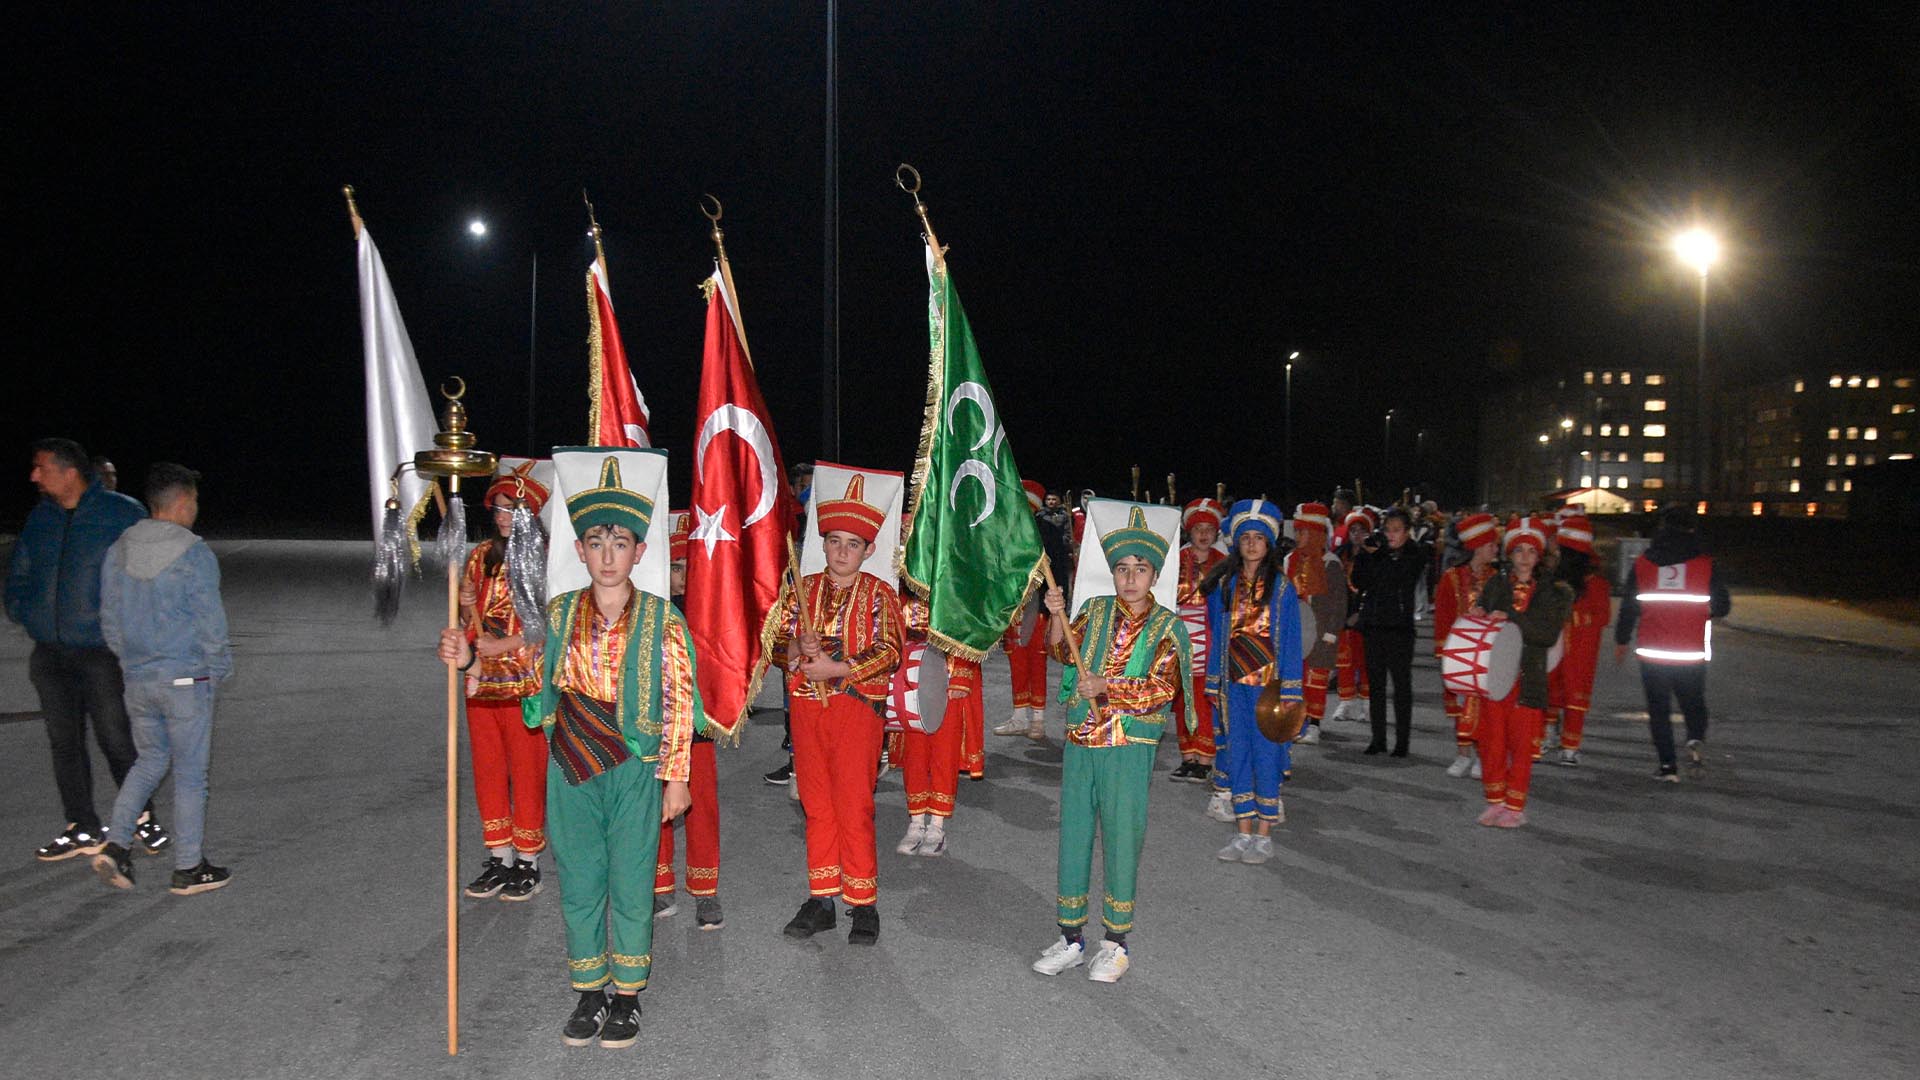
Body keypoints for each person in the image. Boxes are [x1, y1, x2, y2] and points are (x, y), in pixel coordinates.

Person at [441, 456, 701, 1049]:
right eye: (594, 542)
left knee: (632, 881)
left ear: (639, 551)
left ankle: (628, 996)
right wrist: (474, 661)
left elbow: (681, 699)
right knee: (582, 880)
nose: (607, 554)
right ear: (580, 551)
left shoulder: (663, 619)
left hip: (635, 767)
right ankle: (589, 991)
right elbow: (529, 678)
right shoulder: (557, 614)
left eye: (620, 542)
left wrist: (676, 776)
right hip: (571, 767)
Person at [1030, 507, 1192, 984]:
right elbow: (1063, 652)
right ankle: (1071, 938)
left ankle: (1116, 944)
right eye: (1122, 569)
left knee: (1122, 839)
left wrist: (1106, 686)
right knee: (1074, 836)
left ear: (1155, 575)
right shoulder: (1095, 610)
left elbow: (1162, 690)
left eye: (1140, 570)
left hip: (1128, 746)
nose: (1130, 578)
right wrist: (1055, 615)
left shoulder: (1169, 627)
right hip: (1083, 741)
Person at [7, 437, 169, 861]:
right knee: (64, 742)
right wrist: (25, 611)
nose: (34, 475)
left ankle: (141, 818)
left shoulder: (120, 513)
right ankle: (82, 825)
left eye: (41, 467)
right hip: (49, 652)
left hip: (102, 652)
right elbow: (19, 572)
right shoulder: (40, 519)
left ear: (69, 472)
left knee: (115, 737)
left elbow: (151, 575)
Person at [767, 474, 904, 946]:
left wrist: (838, 668)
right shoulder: (800, 589)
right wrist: (793, 648)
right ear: (822, 544)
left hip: (855, 710)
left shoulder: (880, 594)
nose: (842, 551)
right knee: (816, 804)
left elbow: (890, 651)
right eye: (833, 541)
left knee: (854, 804)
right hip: (807, 711)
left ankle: (863, 903)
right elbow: (773, 645)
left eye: (852, 544)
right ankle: (822, 898)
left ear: (868, 550)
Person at [89, 464, 232, 895]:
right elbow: (210, 621)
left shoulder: (120, 549)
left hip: (138, 678)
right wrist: (218, 668)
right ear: (184, 502)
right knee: (191, 775)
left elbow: (109, 619)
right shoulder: (192, 552)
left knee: (149, 762)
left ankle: (116, 844)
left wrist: (132, 662)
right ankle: (189, 868)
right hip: (186, 679)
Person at [456, 463, 551, 903]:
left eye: (511, 507)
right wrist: (464, 605)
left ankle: (528, 860)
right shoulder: (480, 556)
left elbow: (554, 622)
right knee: (488, 768)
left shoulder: (546, 561)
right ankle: (500, 856)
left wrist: (507, 643)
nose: (502, 514)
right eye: (497, 506)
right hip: (482, 680)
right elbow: (466, 623)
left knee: (526, 770)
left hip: (524, 683)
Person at [1203, 499, 1304, 862]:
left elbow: (1291, 640)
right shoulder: (1224, 585)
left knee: (1267, 756)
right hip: (1234, 688)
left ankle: (1264, 834)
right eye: (1244, 537)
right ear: (1236, 542)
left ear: (1269, 544)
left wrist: (1291, 691)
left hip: (1268, 688)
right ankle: (1242, 832)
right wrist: (1214, 682)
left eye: (1258, 538)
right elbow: (1217, 638)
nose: (1251, 544)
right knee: (1238, 755)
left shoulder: (1282, 588)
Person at [1466, 517, 1572, 827]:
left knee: (1522, 744)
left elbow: (1546, 634)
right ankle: (1495, 800)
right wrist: (1479, 614)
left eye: (1530, 551)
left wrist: (1510, 617)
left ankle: (1515, 806)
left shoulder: (1554, 591)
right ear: (1509, 555)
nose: (1524, 557)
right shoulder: (1497, 583)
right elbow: (1484, 619)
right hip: (1496, 674)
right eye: (1518, 550)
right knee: (1492, 741)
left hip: (1528, 676)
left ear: (1539, 556)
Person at [1613, 504, 1730, 782]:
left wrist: (1621, 640)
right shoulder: (1705, 564)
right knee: (1693, 703)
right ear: (1691, 528)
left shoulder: (1643, 563)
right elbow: (1723, 606)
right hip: (1690, 652)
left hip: (1653, 653)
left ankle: (1667, 766)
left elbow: (1629, 607)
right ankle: (1694, 738)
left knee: (1659, 710)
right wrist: (1701, 611)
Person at [656, 509, 725, 928]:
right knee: (654, 809)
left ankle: (705, 891)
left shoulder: (710, 614)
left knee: (701, 809)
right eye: (675, 567)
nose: (682, 576)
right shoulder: (649, 612)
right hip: (656, 726)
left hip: (697, 727)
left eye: (689, 567)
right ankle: (659, 888)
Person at [1351, 507, 1430, 757]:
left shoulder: (1415, 554)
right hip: (1374, 626)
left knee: (1401, 686)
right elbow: (1360, 581)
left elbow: (1398, 578)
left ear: (1407, 532)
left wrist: (1381, 553)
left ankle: (1402, 741)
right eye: (1388, 529)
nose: (1391, 535)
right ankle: (1378, 739)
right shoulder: (1375, 552)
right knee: (1375, 685)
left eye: (1397, 530)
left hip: (1400, 629)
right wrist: (1365, 555)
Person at [1433, 513, 1501, 778]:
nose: (1496, 549)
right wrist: (1444, 654)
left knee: (1485, 708)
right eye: (1491, 545)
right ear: (1478, 546)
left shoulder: (1497, 579)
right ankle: (1463, 753)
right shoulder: (1451, 578)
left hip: (1487, 655)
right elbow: (1443, 616)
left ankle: (1484, 756)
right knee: (1462, 705)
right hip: (1460, 653)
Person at [1170, 497, 1225, 782]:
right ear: (1189, 532)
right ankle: (1187, 757)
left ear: (1216, 533)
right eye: (1197, 529)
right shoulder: (1176, 560)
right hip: (1180, 637)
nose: (1203, 534)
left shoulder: (1224, 563)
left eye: (1208, 528)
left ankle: (1205, 759)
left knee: (1204, 701)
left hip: (1209, 638)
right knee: (1182, 701)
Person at [1548, 515, 1611, 767]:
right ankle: (1546, 737)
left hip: (1581, 650)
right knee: (1551, 691)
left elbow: (1602, 616)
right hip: (1554, 646)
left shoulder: (1595, 583)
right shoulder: (1554, 579)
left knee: (1575, 696)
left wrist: (1572, 616)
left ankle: (1570, 746)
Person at [1283, 503, 1345, 748]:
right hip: (1295, 630)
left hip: (1319, 632)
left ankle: (1315, 724)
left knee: (1316, 681)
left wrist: (1331, 633)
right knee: (1295, 679)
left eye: (1305, 532)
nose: (1299, 537)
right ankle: (1297, 722)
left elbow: (1339, 602)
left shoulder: (1330, 563)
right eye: (1297, 532)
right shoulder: (1289, 560)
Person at [1329, 507, 1374, 722]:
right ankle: (1345, 703)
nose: (1357, 534)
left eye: (1361, 530)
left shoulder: (1374, 556)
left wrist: (1360, 613)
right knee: (1343, 662)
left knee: (1364, 661)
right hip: (1342, 616)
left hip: (1365, 617)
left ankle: (1367, 704)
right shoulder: (1339, 555)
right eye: (1353, 529)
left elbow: (1375, 589)